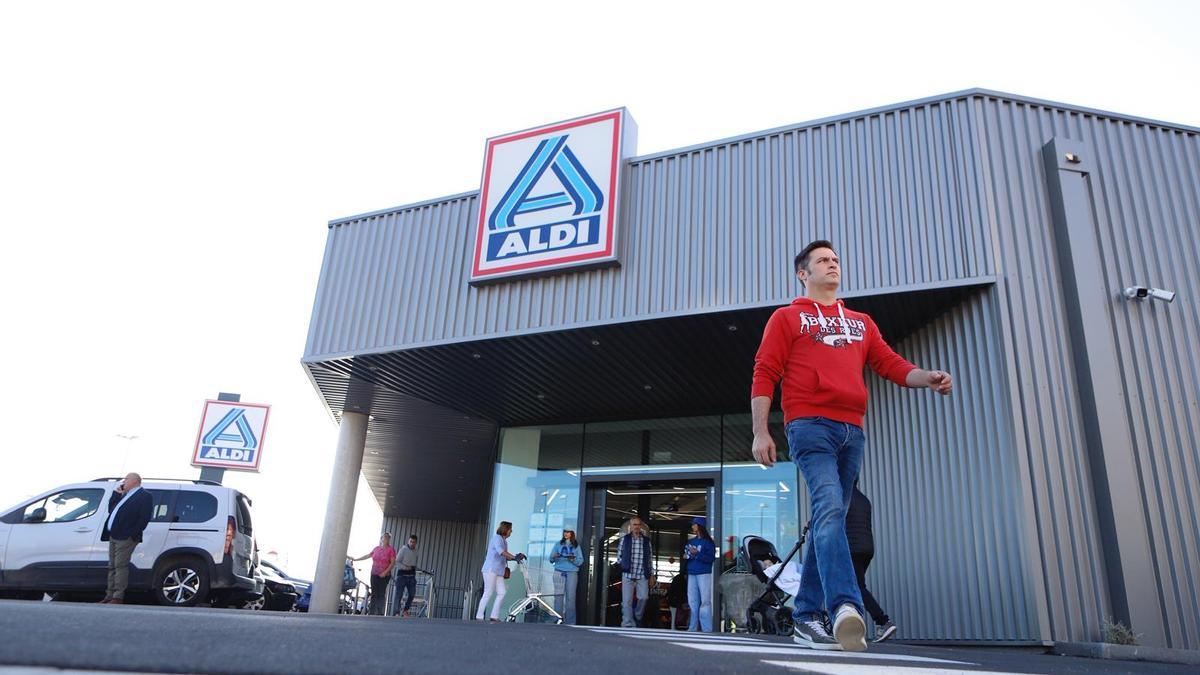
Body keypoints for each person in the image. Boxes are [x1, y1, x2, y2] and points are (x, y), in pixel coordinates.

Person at [751, 239, 952, 652]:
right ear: (803, 273)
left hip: (851, 431)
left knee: (833, 520)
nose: (832, 264)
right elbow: (765, 371)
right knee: (828, 508)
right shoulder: (787, 318)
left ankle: (806, 615)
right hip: (809, 425)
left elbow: (890, 364)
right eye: (823, 260)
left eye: (836, 259)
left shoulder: (861, 322)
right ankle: (845, 605)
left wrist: (925, 376)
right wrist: (760, 431)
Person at [847, 484, 897, 642]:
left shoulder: (842, 497)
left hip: (851, 548)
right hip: (866, 548)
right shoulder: (863, 499)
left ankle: (882, 621)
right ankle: (852, 628)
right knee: (855, 587)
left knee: (856, 588)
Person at [99, 473, 154, 604]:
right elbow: (111, 510)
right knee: (112, 566)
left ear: (135, 481)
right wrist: (116, 494)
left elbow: (144, 518)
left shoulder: (145, 496)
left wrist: (132, 533)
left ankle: (118, 596)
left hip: (126, 537)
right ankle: (109, 595)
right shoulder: (125, 495)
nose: (124, 482)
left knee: (120, 565)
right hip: (113, 535)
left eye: (126, 479)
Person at [477, 521, 524, 622]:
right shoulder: (497, 538)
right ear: (505, 529)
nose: (511, 531)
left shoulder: (504, 541)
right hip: (490, 569)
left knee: (502, 592)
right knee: (488, 592)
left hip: (498, 571)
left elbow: (505, 556)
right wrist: (515, 557)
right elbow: (501, 552)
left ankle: (494, 616)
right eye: (510, 529)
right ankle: (479, 616)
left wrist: (517, 557)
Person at [615, 517, 655, 627]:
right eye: (634, 525)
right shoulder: (625, 539)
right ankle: (627, 623)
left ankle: (637, 616)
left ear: (641, 526)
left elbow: (649, 559)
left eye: (638, 524)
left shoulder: (646, 541)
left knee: (643, 597)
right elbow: (619, 555)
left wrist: (651, 574)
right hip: (628, 574)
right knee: (626, 601)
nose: (636, 527)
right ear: (631, 526)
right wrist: (623, 565)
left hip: (642, 574)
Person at [684, 516, 716, 632]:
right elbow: (687, 556)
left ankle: (706, 629)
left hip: (703, 573)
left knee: (705, 600)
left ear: (699, 526)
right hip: (692, 572)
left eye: (694, 524)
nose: (692, 526)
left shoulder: (708, 543)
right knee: (692, 601)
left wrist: (697, 554)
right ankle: (692, 627)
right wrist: (688, 555)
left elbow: (711, 559)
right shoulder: (691, 541)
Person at [351, 532, 395, 615]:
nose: (385, 539)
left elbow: (392, 563)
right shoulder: (376, 549)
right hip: (374, 573)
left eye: (387, 538)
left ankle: (380, 612)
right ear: (381, 539)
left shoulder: (391, 550)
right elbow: (368, 555)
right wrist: (356, 559)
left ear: (389, 540)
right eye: (384, 537)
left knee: (381, 593)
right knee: (374, 592)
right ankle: (372, 612)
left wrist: (385, 572)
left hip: (384, 575)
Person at [547, 529, 583, 625]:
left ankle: (570, 622)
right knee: (558, 597)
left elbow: (580, 561)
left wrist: (572, 560)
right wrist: (555, 556)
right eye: (565, 532)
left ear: (572, 534)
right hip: (559, 571)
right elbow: (550, 559)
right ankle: (558, 619)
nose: (566, 533)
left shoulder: (576, 545)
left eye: (568, 532)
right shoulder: (558, 544)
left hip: (572, 572)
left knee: (571, 597)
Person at [393, 534, 420, 617]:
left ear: (416, 543)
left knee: (412, 594)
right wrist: (405, 567)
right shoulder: (403, 549)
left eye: (414, 542)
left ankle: (405, 610)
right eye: (411, 541)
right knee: (399, 595)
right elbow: (396, 562)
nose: (412, 543)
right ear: (408, 541)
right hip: (401, 576)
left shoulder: (416, 551)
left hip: (411, 576)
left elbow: (415, 562)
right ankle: (396, 613)